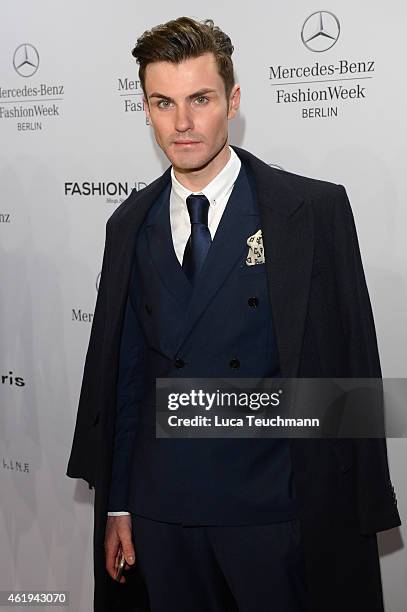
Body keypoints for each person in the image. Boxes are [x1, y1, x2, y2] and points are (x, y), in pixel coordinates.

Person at [67, 16, 401, 612]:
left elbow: (352, 362)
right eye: (163, 103)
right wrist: (118, 504)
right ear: (145, 107)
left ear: (233, 101)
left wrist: (357, 500)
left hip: (274, 510)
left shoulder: (311, 209)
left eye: (200, 99)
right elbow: (126, 380)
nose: (183, 122)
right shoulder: (129, 225)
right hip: (161, 513)